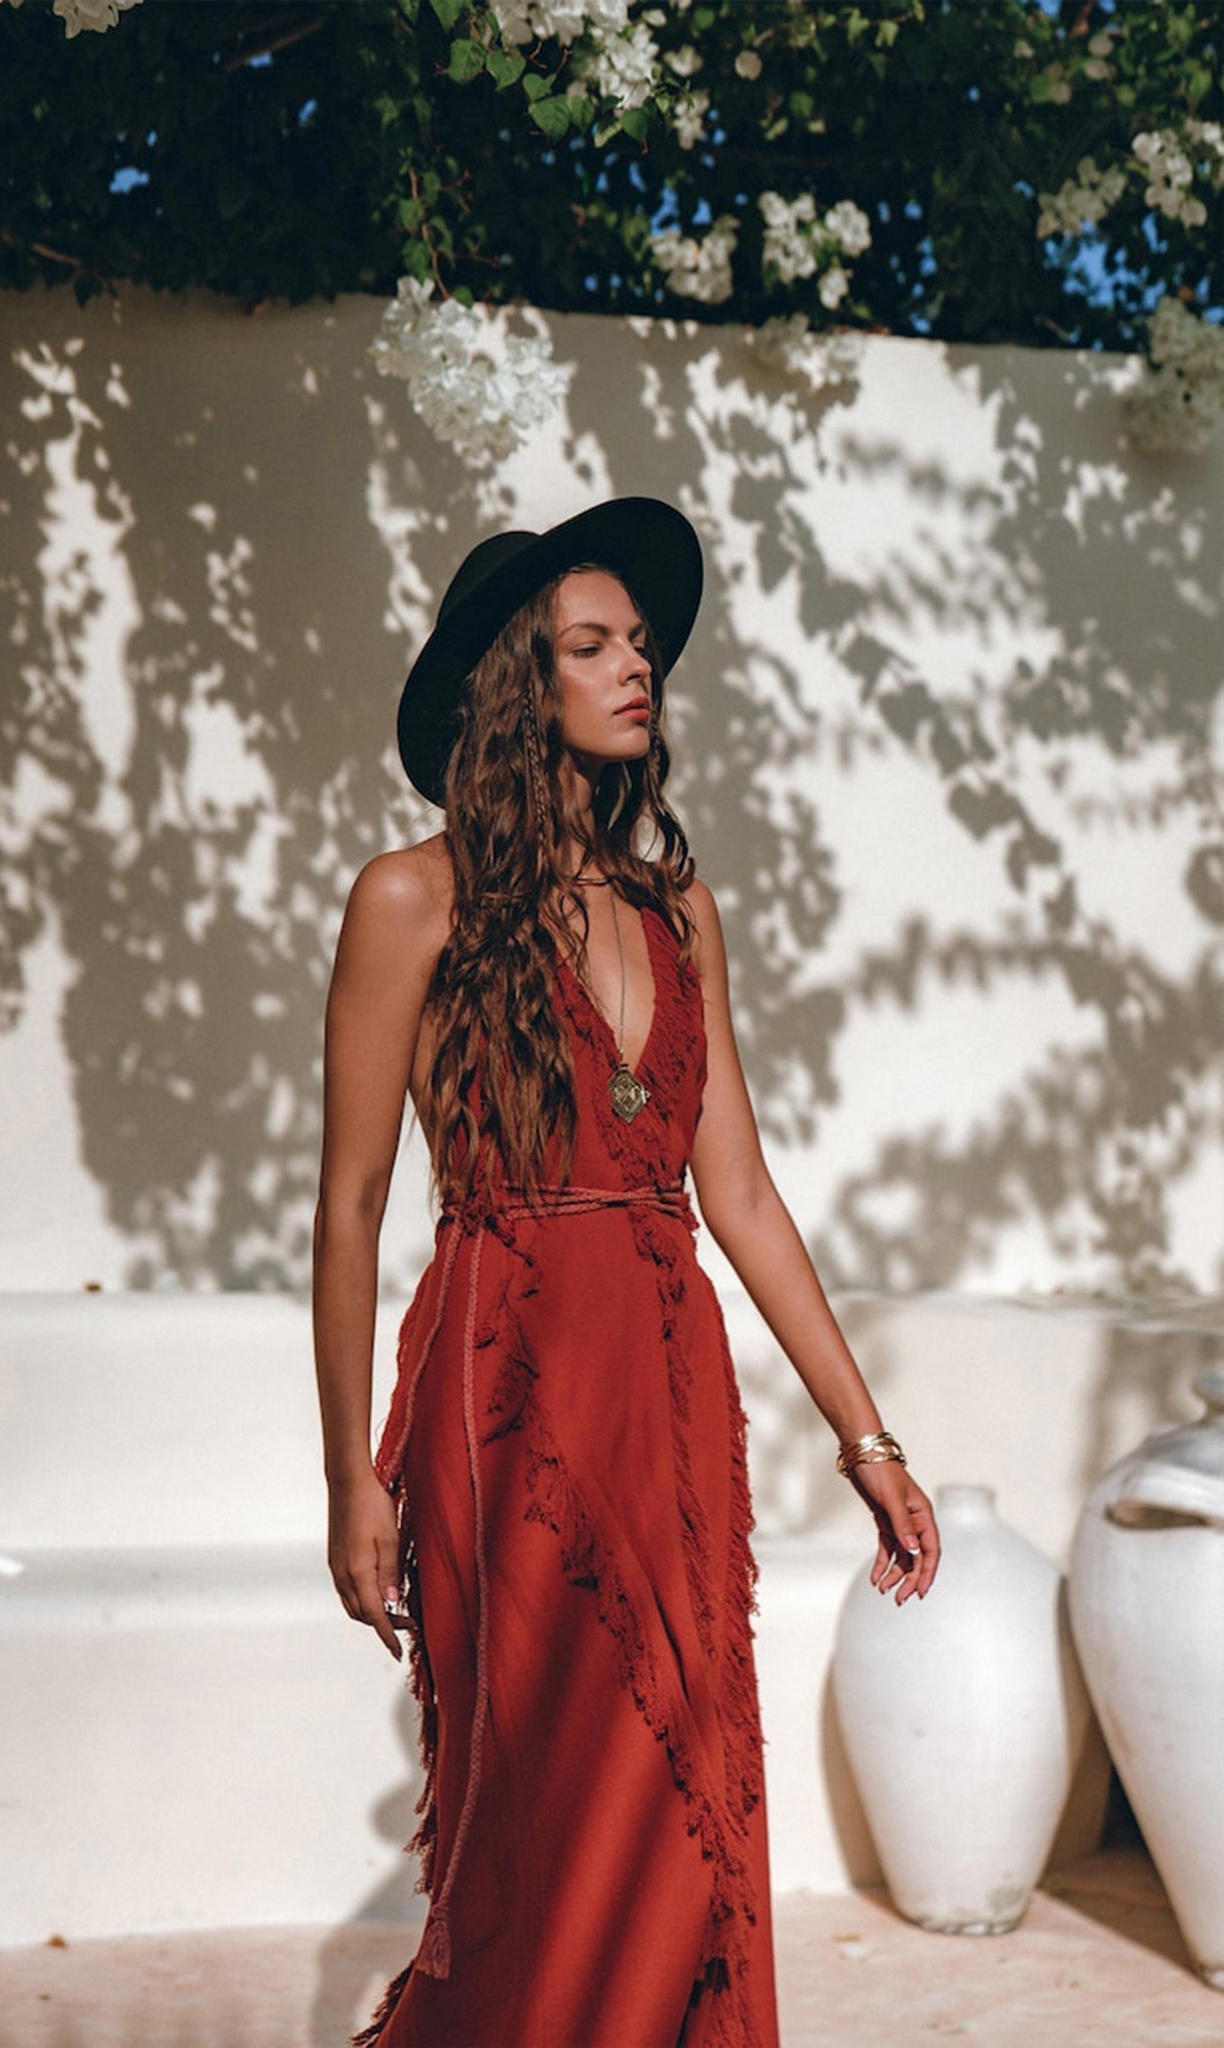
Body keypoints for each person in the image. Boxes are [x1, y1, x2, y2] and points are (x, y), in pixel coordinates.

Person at [312, 497, 939, 2048]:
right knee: (540, 1829)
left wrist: (868, 1440)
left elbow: (739, 1191)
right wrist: (349, 1481)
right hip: (502, 1388)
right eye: (589, 646)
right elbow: (346, 1206)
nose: (633, 669)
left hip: (665, 1394)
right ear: (519, 684)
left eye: (640, 645)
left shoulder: (680, 915)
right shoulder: (410, 896)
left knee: (683, 1814)